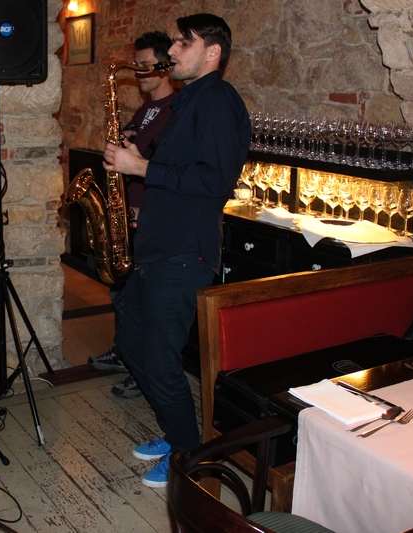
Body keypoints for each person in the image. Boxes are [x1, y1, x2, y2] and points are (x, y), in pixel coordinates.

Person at [102, 14, 251, 488]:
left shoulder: (219, 101)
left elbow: (215, 180)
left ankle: (189, 454)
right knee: (132, 344)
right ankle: (176, 433)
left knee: (162, 358)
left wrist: (141, 167)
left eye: (184, 43)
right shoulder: (190, 100)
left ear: (213, 52)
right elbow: (180, 168)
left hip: (185, 252)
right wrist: (138, 155)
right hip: (157, 246)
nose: (172, 51)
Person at [88, 31, 177, 400]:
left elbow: (167, 166)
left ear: (164, 66)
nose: (139, 72)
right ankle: (122, 349)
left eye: (145, 66)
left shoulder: (175, 109)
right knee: (120, 290)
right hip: (127, 209)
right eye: (136, 65)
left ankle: (138, 368)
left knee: (138, 300)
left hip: (148, 214)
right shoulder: (146, 109)